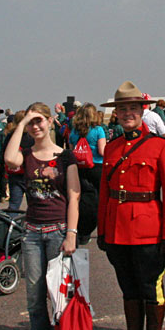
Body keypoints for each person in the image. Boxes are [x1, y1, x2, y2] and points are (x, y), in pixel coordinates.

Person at [95, 82, 165, 330]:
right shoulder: (113, 147)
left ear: (143, 111)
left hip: (148, 230)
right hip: (118, 230)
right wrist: (104, 231)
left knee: (150, 288)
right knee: (128, 287)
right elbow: (105, 192)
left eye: (133, 108)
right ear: (116, 114)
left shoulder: (162, 146)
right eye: (122, 109)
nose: (128, 114)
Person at [4, 102, 80, 330]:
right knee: (35, 294)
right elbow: (8, 158)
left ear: (50, 121)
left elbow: (73, 196)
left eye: (40, 121)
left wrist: (71, 233)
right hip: (33, 232)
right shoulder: (26, 155)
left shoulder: (65, 156)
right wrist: (22, 124)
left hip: (58, 230)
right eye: (32, 122)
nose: (36, 126)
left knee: (58, 293)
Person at [69, 103, 106, 244]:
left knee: (82, 198)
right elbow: (102, 151)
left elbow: (72, 149)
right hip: (96, 166)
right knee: (99, 199)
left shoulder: (74, 131)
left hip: (79, 167)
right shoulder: (98, 130)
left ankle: (80, 229)